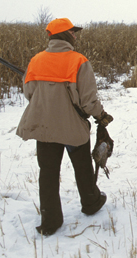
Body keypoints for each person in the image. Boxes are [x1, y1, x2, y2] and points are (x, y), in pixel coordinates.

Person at [17, 18, 113, 236]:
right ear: (65, 35)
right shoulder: (79, 61)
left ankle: (50, 221)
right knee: (82, 167)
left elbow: (29, 93)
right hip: (72, 127)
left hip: (44, 127)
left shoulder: (36, 60)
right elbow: (88, 101)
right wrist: (102, 116)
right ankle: (91, 202)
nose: (76, 35)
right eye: (73, 32)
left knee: (48, 173)